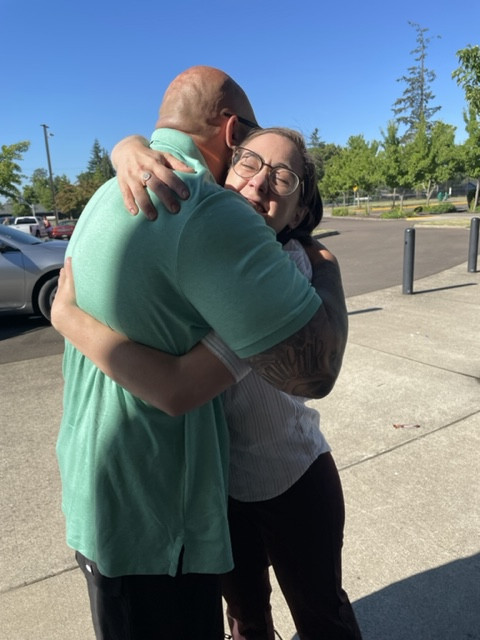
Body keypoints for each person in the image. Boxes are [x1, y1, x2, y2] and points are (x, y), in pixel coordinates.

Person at [55, 66, 348, 640]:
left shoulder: (105, 200)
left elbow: (313, 372)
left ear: (299, 208)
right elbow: (179, 388)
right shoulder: (200, 213)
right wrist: (128, 146)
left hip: (241, 486)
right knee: (246, 619)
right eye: (248, 158)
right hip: (169, 510)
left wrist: (64, 316)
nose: (260, 181)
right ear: (231, 134)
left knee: (319, 616)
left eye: (283, 178)